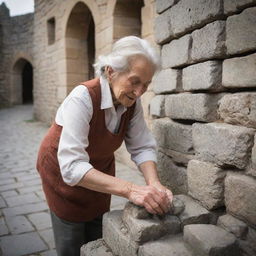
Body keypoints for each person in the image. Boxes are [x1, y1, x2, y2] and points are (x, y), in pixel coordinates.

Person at [36, 36, 173, 256]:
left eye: (146, 84)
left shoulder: (131, 102)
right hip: (61, 173)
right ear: (111, 72)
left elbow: (141, 145)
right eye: (135, 81)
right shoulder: (82, 98)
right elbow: (71, 167)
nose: (139, 92)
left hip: (99, 169)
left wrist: (153, 182)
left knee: (98, 233)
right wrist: (131, 190)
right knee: (71, 241)